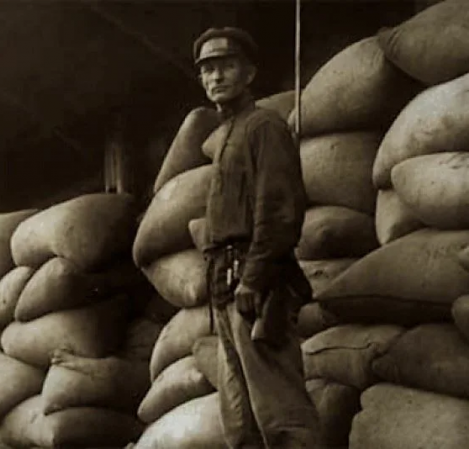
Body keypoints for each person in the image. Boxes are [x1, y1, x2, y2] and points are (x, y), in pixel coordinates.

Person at [194, 27, 320, 448]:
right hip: (226, 284)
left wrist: (254, 278)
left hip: (256, 285)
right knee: (239, 418)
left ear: (249, 74)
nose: (216, 77)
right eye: (208, 69)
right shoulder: (227, 133)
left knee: (281, 412)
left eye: (226, 66)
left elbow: (279, 210)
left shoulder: (264, 126)